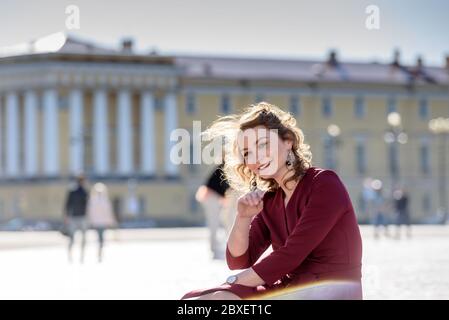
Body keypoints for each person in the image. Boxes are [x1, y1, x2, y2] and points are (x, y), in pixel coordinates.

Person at [181, 102, 363, 300]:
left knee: (217, 299)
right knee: (203, 301)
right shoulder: (270, 199)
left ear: (288, 141)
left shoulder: (324, 184)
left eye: (262, 144)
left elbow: (291, 255)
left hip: (331, 291)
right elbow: (239, 259)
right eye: (247, 153)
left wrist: (231, 283)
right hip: (291, 291)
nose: (256, 157)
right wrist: (243, 218)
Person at [196, 163, 230, 259]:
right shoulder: (224, 167)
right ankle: (214, 250)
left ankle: (216, 249)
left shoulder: (224, 167)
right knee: (214, 223)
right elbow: (222, 185)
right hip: (210, 196)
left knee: (219, 222)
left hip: (212, 196)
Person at [87, 183, 117, 262]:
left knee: (99, 237)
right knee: (101, 237)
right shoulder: (102, 200)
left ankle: (99, 250)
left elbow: (91, 212)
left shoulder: (94, 200)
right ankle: (100, 250)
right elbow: (108, 212)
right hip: (101, 222)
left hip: (98, 222)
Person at [64, 174, 89, 263]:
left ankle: (73, 256)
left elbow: (67, 205)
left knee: (73, 238)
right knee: (79, 238)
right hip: (80, 217)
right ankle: (79, 256)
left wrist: (66, 216)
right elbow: (68, 204)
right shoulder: (83, 191)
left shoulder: (74, 191)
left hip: (76, 217)